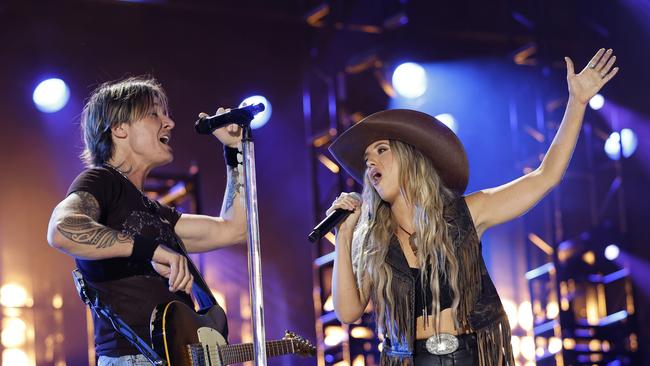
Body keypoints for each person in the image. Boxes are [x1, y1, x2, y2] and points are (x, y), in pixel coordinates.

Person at [327, 49, 618, 365]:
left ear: (409, 157)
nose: (371, 163)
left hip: (471, 355)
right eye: (367, 160)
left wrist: (576, 103)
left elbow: (544, 177)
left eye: (381, 150)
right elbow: (348, 311)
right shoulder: (375, 240)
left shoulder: (466, 213)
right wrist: (344, 236)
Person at [46, 76, 247, 366]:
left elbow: (234, 230)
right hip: (132, 358)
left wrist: (234, 152)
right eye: (154, 114)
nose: (169, 123)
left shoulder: (155, 211)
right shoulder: (101, 180)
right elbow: (62, 229)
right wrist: (150, 249)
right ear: (119, 129)